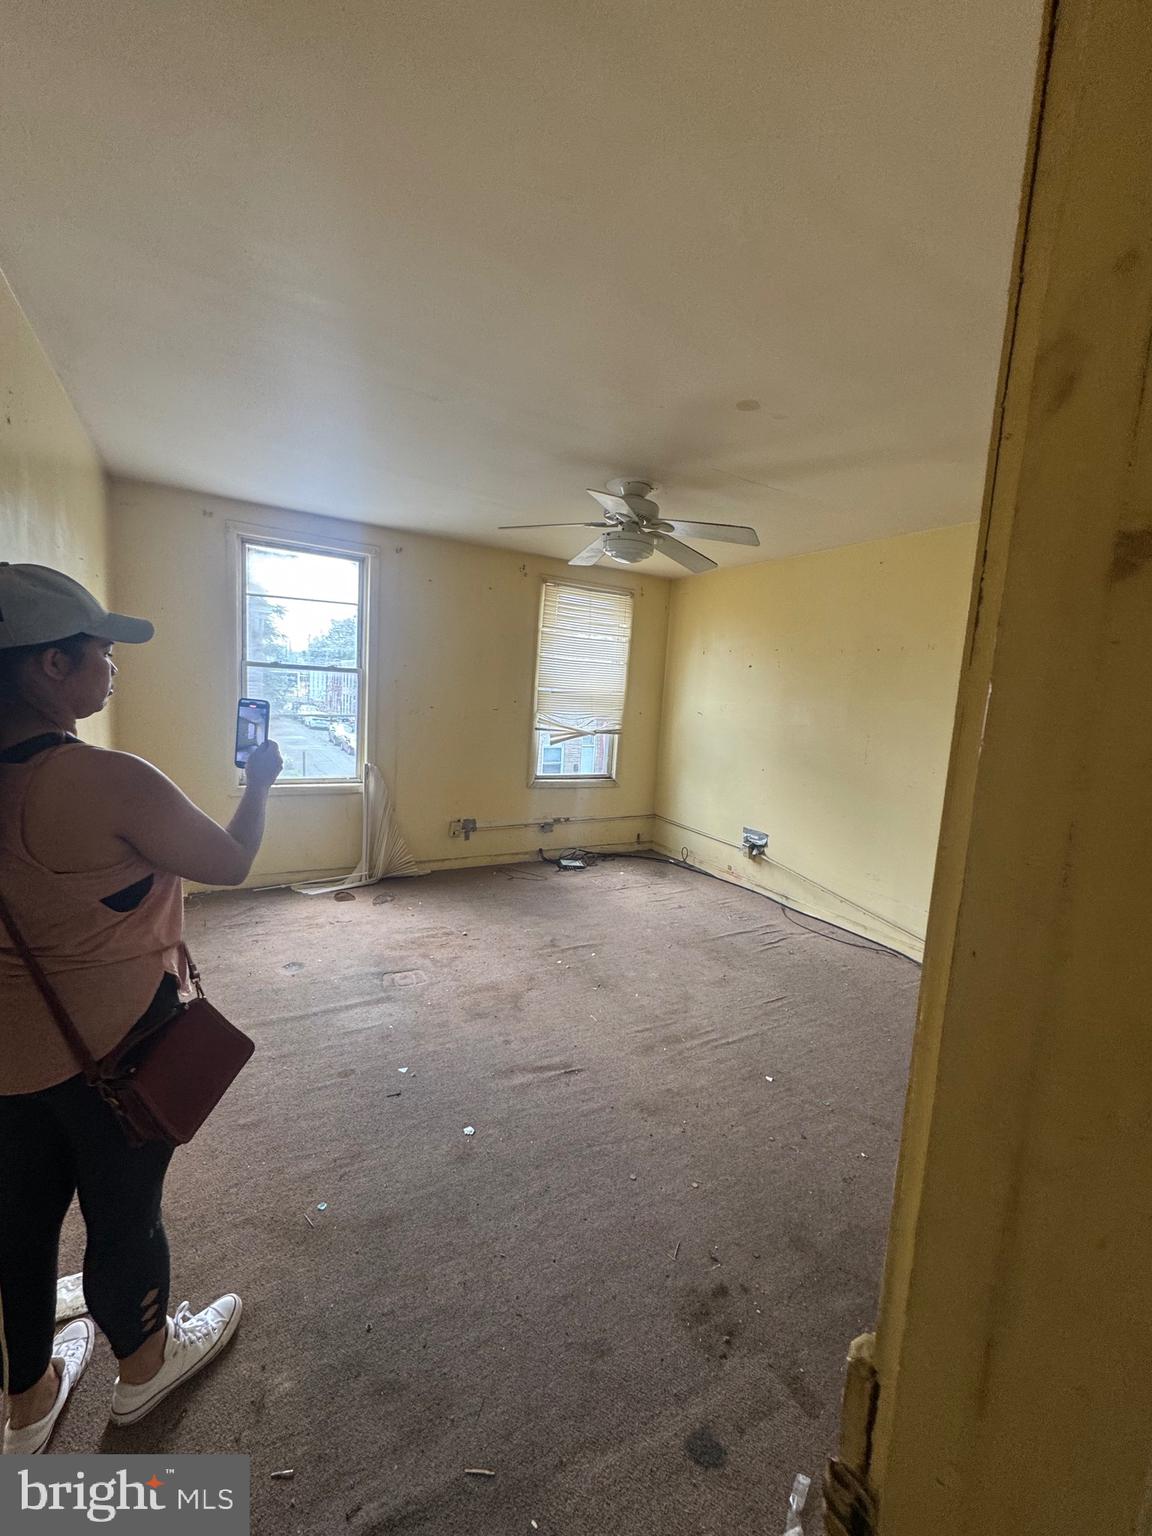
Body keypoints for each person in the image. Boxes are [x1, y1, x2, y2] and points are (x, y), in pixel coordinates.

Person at [0, 562, 283, 1454]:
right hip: (112, 1044)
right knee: (125, 1215)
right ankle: (146, 1368)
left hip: (6, 1051)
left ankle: (27, 1397)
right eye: (101, 649)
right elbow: (230, 862)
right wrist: (261, 782)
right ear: (50, 666)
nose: (114, 664)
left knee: (18, 1218)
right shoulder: (103, 779)